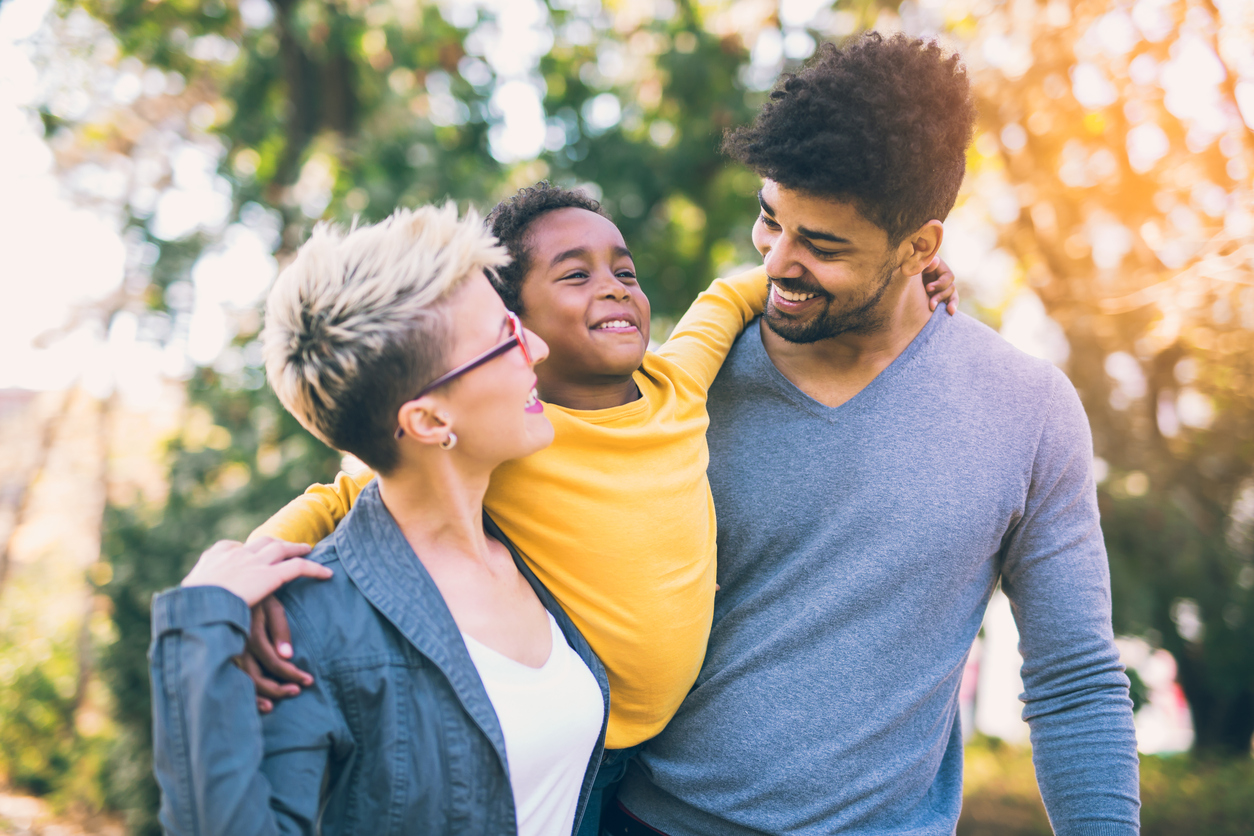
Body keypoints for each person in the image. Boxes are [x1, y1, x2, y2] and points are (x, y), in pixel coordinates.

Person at [242, 183, 959, 835]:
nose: (615, 288)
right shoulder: (508, 436)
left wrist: (896, 273)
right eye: (576, 275)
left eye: (624, 271)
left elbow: (743, 291)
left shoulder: (679, 380)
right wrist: (242, 574)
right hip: (576, 751)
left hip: (674, 758)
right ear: (512, 323)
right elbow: (346, 496)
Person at [605, 32, 1141, 836]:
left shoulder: (1027, 411)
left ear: (921, 245)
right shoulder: (697, 374)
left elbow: (1075, 682)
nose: (778, 261)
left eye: (821, 246)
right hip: (650, 822)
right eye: (770, 221)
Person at [148, 204, 611, 836]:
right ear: (428, 421)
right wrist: (198, 629)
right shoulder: (307, 627)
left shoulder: (528, 542)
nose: (536, 344)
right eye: (504, 336)